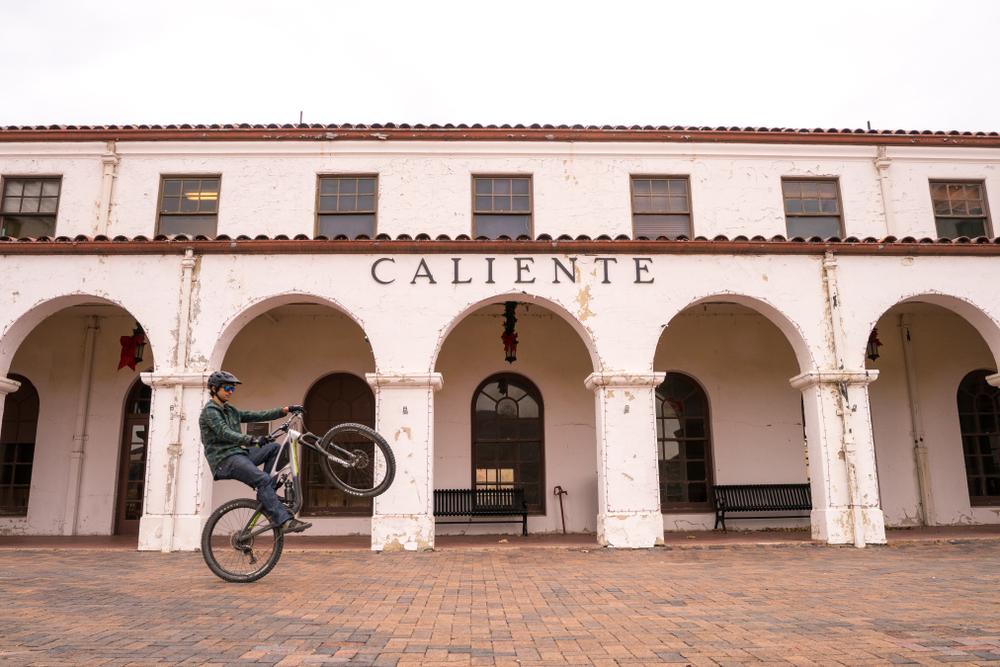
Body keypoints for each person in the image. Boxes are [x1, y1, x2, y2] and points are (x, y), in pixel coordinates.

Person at [199, 370, 312, 534]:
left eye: (233, 388)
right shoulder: (210, 412)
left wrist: (285, 410)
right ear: (214, 388)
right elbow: (225, 433)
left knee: (274, 448)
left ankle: (267, 495)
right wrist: (252, 440)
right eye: (227, 388)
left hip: (239, 454)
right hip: (224, 459)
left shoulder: (230, 410)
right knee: (262, 479)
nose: (231, 391)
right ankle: (284, 521)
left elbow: (256, 415)